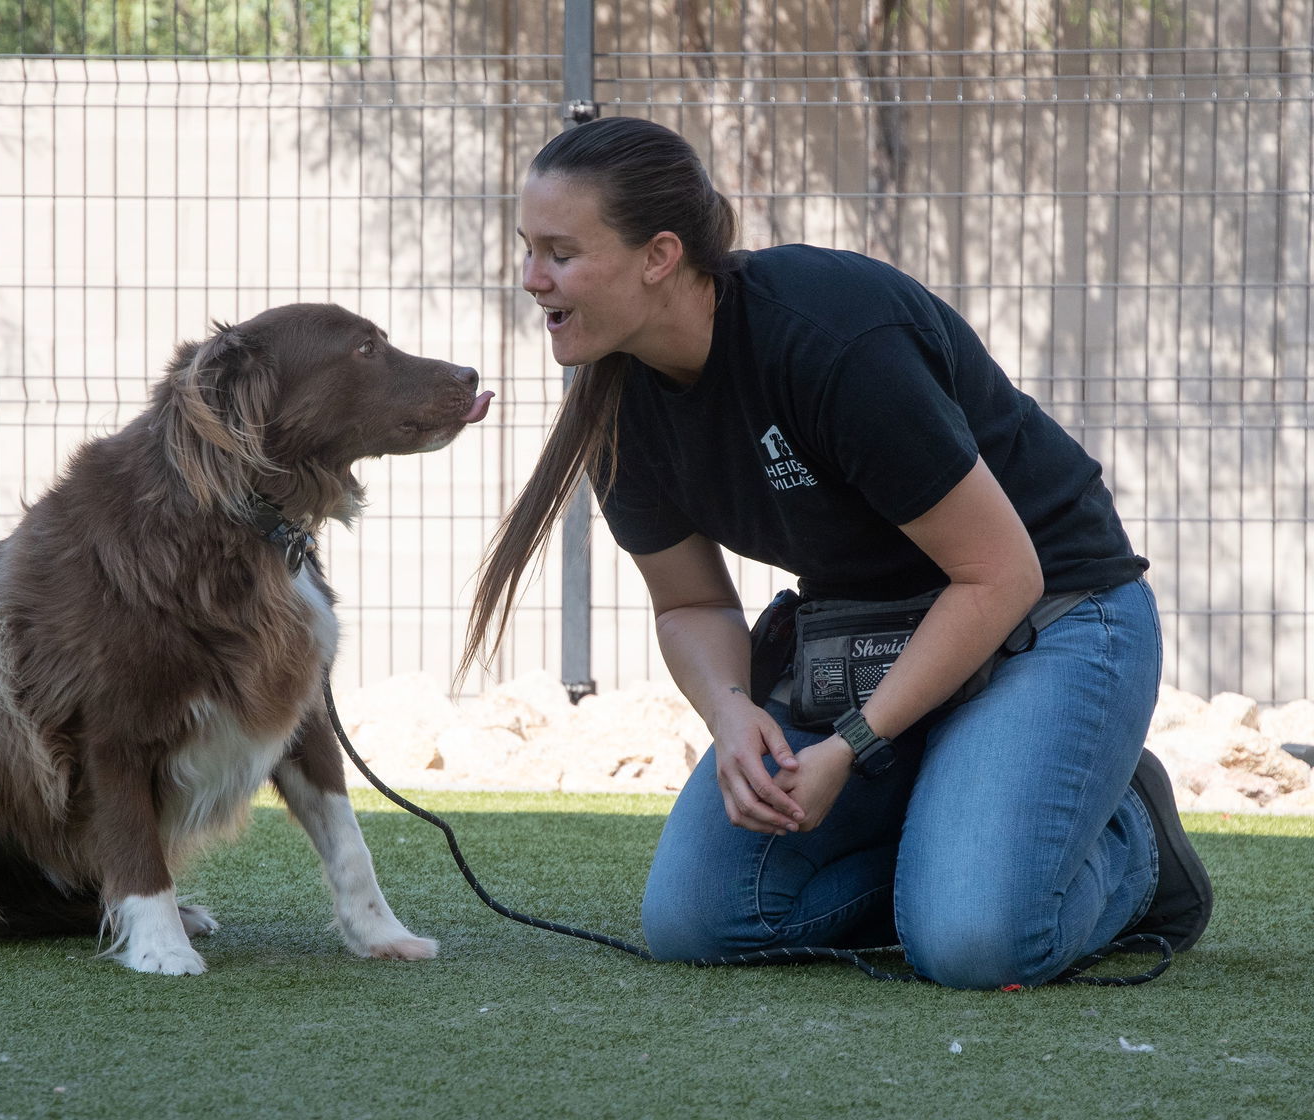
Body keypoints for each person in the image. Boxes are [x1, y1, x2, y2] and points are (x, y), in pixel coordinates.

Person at [460, 115, 1211, 989]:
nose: (531, 278)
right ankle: (962, 831)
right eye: (526, 248)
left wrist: (851, 744)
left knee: (975, 946)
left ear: (660, 255)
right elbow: (690, 605)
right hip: (870, 637)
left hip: (1048, 617)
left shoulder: (829, 338)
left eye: (559, 252)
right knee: (697, 920)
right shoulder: (615, 403)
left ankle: (1128, 840)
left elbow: (1000, 572)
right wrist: (732, 711)